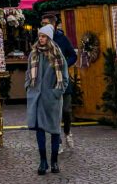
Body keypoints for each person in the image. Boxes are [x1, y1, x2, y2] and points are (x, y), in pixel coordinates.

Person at [25, 24, 68, 175]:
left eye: (43, 36)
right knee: (40, 130)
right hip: (36, 98)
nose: (41, 39)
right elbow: (28, 74)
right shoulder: (34, 54)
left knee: (55, 131)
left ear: (49, 38)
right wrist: (28, 88)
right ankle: (43, 161)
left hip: (52, 99)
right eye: (40, 36)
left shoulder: (57, 55)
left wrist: (56, 93)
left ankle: (54, 162)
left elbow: (64, 77)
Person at [41, 11, 78, 152]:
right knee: (53, 112)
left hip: (63, 79)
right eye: (42, 24)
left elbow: (73, 56)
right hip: (49, 81)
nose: (43, 27)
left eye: (46, 24)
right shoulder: (41, 40)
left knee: (66, 110)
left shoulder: (62, 38)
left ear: (54, 24)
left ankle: (68, 132)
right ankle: (58, 141)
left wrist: (64, 64)